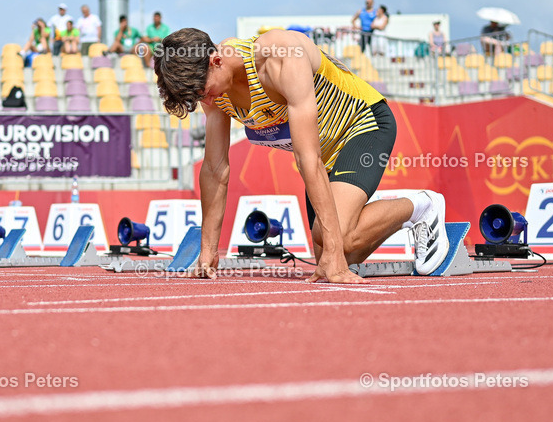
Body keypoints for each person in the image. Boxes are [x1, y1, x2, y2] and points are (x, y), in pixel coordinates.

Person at [153, 28, 449, 282]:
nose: (205, 100)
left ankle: (422, 206)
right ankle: (357, 214)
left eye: (203, 92)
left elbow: (307, 157)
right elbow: (215, 169)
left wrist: (334, 248)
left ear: (215, 61)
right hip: (323, 150)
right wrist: (208, 251)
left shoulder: (279, 56)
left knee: (339, 242)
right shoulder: (215, 89)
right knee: (331, 253)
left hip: (362, 125)